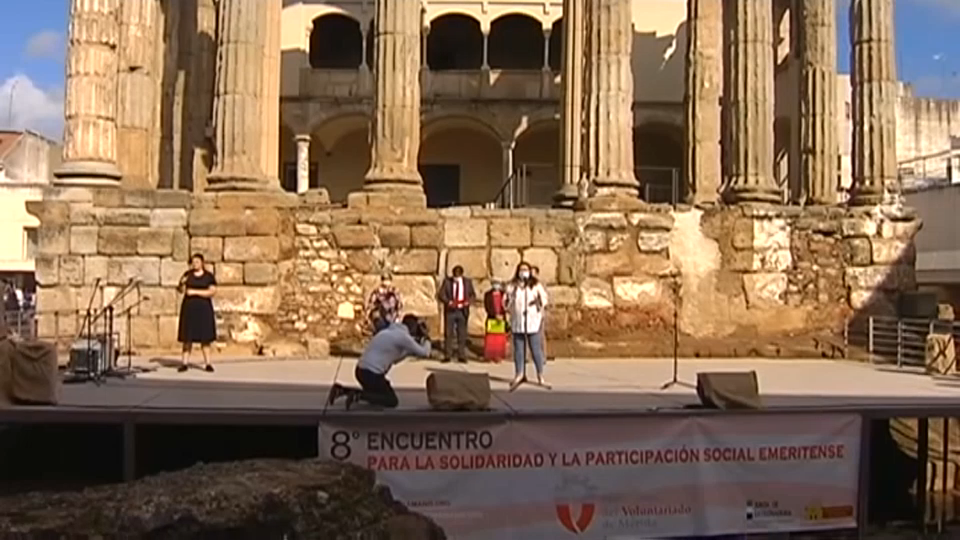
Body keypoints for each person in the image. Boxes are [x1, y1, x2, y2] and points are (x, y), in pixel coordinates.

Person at [327, 314, 432, 409]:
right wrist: (427, 338)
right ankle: (357, 395)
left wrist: (409, 351)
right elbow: (425, 353)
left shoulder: (389, 331)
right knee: (391, 400)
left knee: (374, 394)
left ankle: (342, 390)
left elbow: (394, 359)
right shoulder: (403, 337)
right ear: (412, 327)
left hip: (360, 371)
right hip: (372, 375)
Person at [505, 262, 550, 391]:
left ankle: (540, 374)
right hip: (518, 321)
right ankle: (519, 373)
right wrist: (509, 302)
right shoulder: (512, 286)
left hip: (532, 321)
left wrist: (538, 302)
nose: (523, 272)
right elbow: (506, 301)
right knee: (519, 349)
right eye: (521, 269)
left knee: (535, 349)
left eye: (526, 269)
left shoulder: (535, 285)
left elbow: (544, 299)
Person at [176, 253, 218, 373]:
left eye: (197, 262)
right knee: (187, 338)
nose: (195, 264)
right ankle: (184, 363)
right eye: (193, 262)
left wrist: (194, 292)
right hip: (189, 310)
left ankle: (208, 363)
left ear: (202, 263)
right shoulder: (187, 275)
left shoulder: (208, 276)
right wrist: (181, 283)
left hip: (204, 310)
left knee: (205, 339)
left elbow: (212, 291)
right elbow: (180, 290)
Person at [437, 265, 475, 363]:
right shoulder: (447, 282)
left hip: (462, 311)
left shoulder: (467, 282)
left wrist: (468, 302)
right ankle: (447, 355)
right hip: (451, 311)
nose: (456, 278)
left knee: (462, 333)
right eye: (455, 276)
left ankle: (461, 354)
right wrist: (448, 301)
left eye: (458, 277)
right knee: (448, 333)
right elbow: (441, 294)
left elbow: (472, 295)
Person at [531, 265, 550, 362]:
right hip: (529, 315)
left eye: (534, 273)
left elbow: (544, 299)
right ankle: (528, 357)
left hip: (538, 313)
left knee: (540, 335)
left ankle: (543, 356)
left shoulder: (540, 285)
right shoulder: (527, 285)